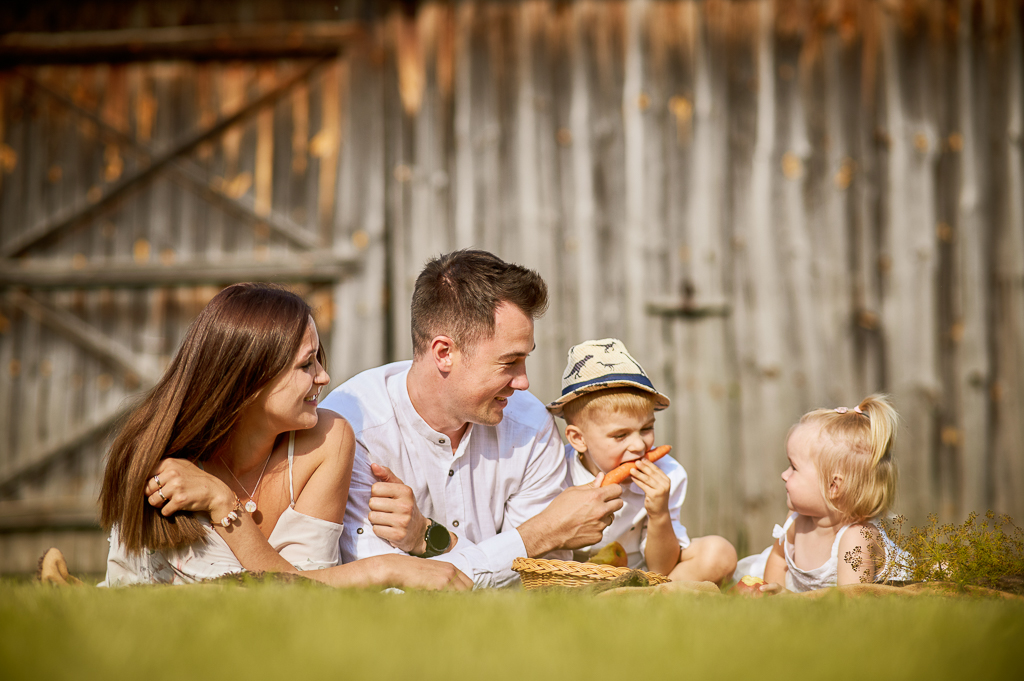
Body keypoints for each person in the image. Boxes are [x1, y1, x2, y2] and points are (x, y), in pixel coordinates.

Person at [98, 283, 470, 590]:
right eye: (306, 364)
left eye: (318, 360)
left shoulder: (329, 440)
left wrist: (222, 503)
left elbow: (300, 594)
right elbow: (186, 596)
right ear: (250, 377)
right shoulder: (158, 454)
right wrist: (384, 570)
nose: (323, 377)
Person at [321, 250, 624, 588]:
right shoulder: (353, 428)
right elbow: (385, 593)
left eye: (525, 360)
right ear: (444, 353)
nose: (523, 382)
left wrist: (429, 537)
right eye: (509, 362)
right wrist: (539, 534)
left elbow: (540, 586)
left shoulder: (531, 425)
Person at [547, 338, 737, 582]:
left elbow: (661, 569)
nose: (638, 445)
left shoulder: (667, 472)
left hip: (641, 578)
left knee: (719, 553)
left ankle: (650, 599)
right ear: (578, 439)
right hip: (571, 578)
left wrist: (659, 514)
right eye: (620, 435)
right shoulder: (554, 469)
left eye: (646, 429)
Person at [733, 394, 901, 593]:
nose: (784, 475)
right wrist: (770, 596)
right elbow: (779, 559)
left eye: (793, 468)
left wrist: (792, 600)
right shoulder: (795, 521)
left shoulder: (856, 538)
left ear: (833, 487)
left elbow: (851, 602)